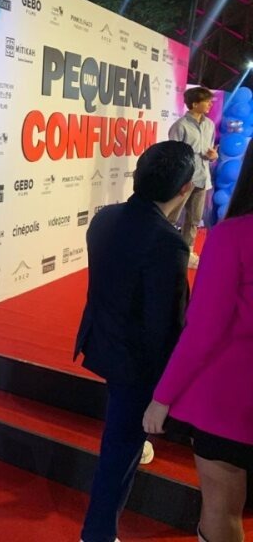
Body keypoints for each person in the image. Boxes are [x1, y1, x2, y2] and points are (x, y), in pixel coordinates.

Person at [74, 141, 195, 542]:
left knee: (122, 437)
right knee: (118, 452)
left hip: (104, 344)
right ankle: (97, 534)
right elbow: (167, 326)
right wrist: (166, 391)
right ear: (185, 189)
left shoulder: (104, 218)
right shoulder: (168, 243)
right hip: (137, 363)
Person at [143, 140, 253, 542]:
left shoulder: (233, 237)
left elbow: (204, 329)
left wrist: (162, 397)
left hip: (231, 403)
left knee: (221, 512)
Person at [167, 86, 218, 269]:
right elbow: (173, 154)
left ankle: (187, 253)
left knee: (194, 219)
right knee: (171, 217)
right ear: (195, 104)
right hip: (184, 179)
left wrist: (213, 156)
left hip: (202, 178)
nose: (210, 104)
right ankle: (165, 250)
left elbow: (210, 151)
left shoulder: (210, 125)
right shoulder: (180, 126)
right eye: (207, 101)